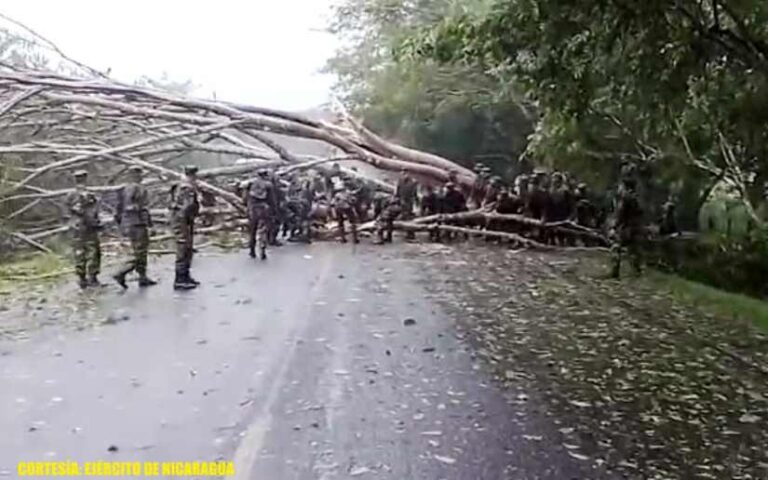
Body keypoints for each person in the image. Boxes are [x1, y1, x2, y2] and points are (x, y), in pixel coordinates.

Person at [113, 166, 157, 289]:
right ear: (137, 175)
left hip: (127, 223)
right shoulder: (140, 189)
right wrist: (150, 225)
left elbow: (118, 210)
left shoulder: (123, 189)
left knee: (137, 250)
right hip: (138, 224)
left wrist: (121, 224)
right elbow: (143, 209)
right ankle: (121, 273)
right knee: (140, 252)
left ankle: (142, 276)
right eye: (140, 174)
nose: (141, 177)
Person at [66, 170, 102, 289]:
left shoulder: (70, 195)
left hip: (76, 227)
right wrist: (96, 223)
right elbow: (92, 212)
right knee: (92, 251)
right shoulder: (89, 195)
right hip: (87, 227)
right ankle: (92, 277)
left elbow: (66, 212)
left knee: (79, 251)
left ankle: (82, 278)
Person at [170, 165, 201, 290]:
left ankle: (185, 276)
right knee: (183, 248)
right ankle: (180, 279)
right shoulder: (187, 187)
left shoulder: (180, 185)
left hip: (181, 219)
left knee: (186, 248)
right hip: (182, 220)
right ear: (193, 175)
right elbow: (187, 207)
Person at [610, 176, 645, 279]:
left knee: (616, 247)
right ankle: (637, 271)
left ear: (625, 186)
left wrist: (614, 227)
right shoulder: (637, 197)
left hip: (626, 228)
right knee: (634, 250)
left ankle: (615, 271)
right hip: (637, 227)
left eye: (621, 185)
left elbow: (620, 214)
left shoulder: (625, 198)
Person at [244, 169, 275, 259]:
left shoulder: (250, 184)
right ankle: (262, 249)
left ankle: (252, 250)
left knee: (252, 230)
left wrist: (247, 207)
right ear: (265, 175)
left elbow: (245, 198)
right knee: (263, 230)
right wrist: (274, 211)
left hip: (253, 209)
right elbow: (272, 200)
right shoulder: (268, 185)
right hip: (264, 209)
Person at [395, 170, 418, 240]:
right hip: (402, 202)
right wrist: (397, 200)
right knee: (404, 217)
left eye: (405, 173)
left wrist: (415, 203)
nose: (403, 175)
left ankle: (411, 233)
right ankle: (405, 231)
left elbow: (414, 194)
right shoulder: (400, 181)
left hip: (409, 203)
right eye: (402, 174)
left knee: (409, 218)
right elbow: (398, 192)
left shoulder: (413, 182)